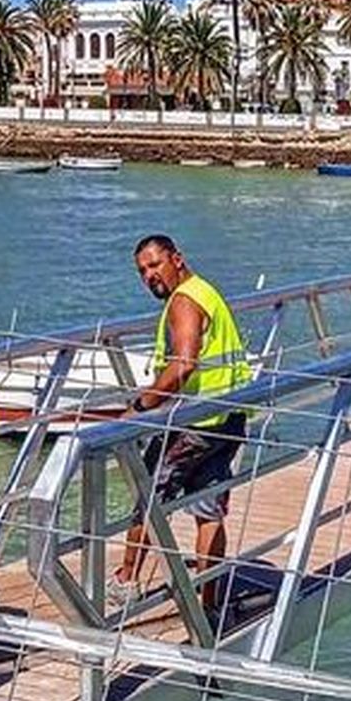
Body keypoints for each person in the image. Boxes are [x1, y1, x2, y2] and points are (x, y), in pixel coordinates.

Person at [110, 235, 252, 612]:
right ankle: (210, 601)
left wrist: (140, 406)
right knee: (209, 510)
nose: (149, 276)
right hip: (227, 417)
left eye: (154, 265)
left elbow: (183, 364)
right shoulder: (206, 291)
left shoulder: (185, 300)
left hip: (195, 424)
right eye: (142, 271)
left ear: (177, 259)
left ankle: (127, 581)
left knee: (148, 493)